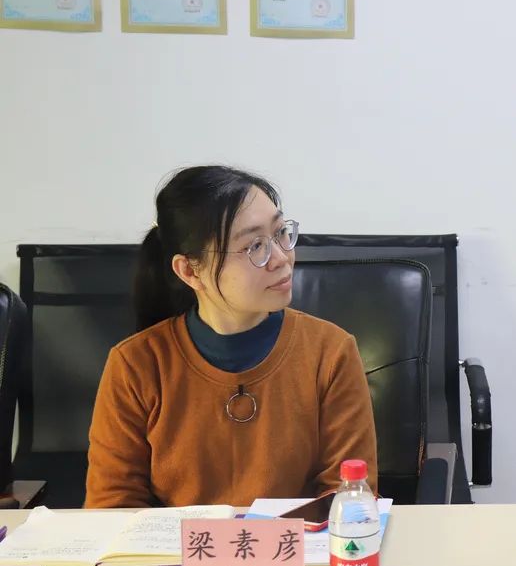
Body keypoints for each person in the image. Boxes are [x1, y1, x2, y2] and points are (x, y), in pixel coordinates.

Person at [85, 165, 377, 507]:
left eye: (280, 233)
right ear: (190, 271)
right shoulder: (135, 365)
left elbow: (349, 496)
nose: (282, 258)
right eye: (254, 246)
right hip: (179, 545)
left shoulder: (331, 352)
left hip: (298, 543)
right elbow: (112, 507)